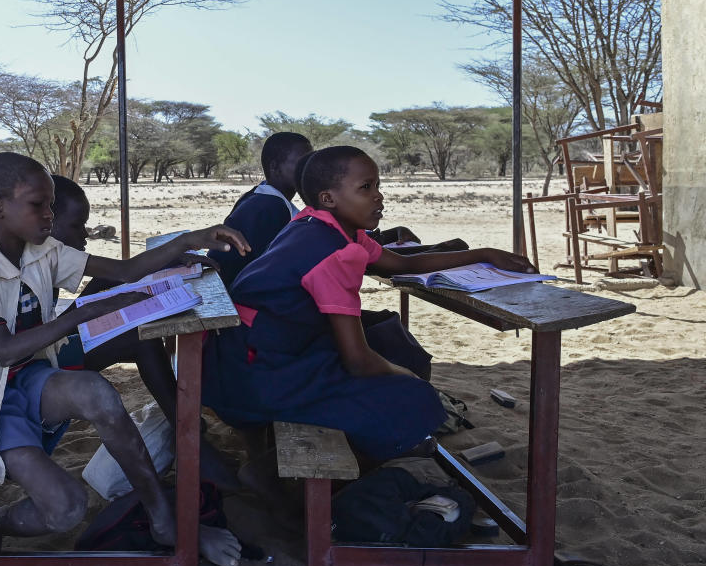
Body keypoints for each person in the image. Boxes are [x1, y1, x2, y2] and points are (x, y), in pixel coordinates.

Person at [0, 152, 249, 566]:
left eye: (51, 206)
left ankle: (164, 518)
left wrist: (185, 241)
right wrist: (80, 315)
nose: (49, 215)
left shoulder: (41, 250)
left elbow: (124, 270)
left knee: (97, 393)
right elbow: (4, 351)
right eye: (38, 205)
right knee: (66, 509)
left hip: (27, 380)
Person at [202, 146, 536, 469]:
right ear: (328, 198)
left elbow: (401, 263)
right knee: (417, 398)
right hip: (257, 377)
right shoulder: (337, 254)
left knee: (391, 349)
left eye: (378, 185)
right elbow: (359, 361)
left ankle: (299, 463)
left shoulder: (319, 224)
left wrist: (483, 253)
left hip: (241, 356)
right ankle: (308, 476)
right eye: (366, 187)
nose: (378, 196)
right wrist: (405, 376)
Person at [48, 175, 240, 491]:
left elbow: (118, 272)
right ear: (46, 221)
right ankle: (190, 440)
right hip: (32, 368)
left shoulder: (51, 254)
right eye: (75, 226)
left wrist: (163, 263)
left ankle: (187, 434)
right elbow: (43, 337)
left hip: (47, 344)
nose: (84, 234)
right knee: (139, 339)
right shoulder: (30, 261)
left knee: (135, 329)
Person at [208, 132, 313, 286]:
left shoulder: (259, 194)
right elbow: (277, 268)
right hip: (238, 295)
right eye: (302, 163)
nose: (309, 169)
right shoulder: (271, 208)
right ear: (275, 167)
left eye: (310, 162)